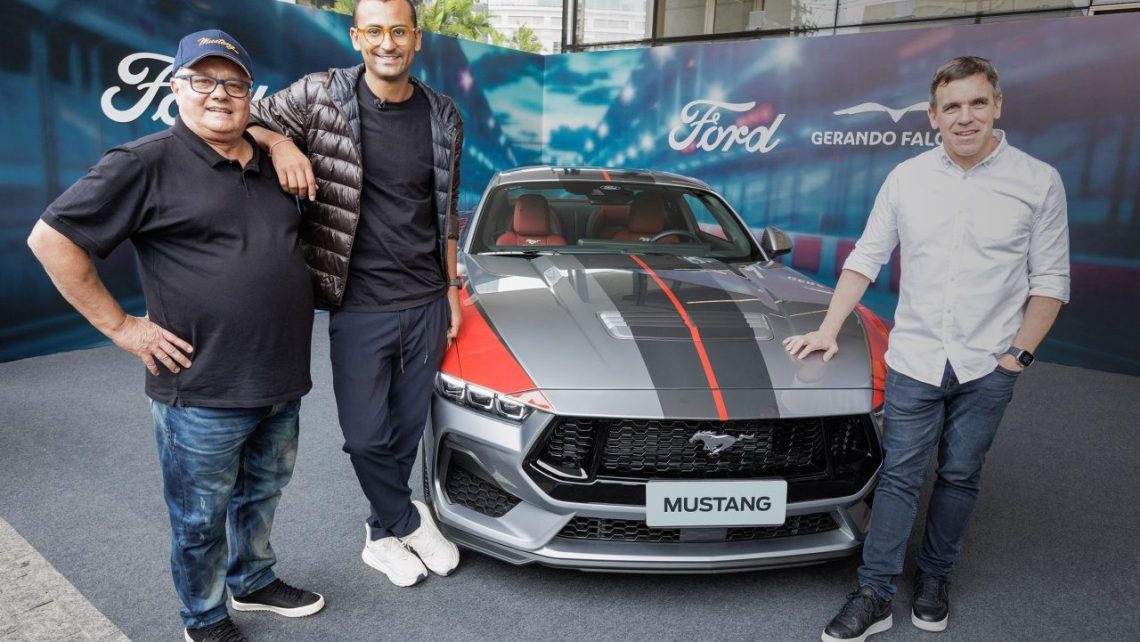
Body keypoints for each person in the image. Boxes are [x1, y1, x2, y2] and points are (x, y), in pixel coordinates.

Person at [27, 30, 324, 642]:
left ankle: (253, 580)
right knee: (198, 517)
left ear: (250, 94)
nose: (219, 94)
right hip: (201, 387)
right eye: (203, 80)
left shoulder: (271, 160)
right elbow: (50, 240)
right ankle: (204, 616)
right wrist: (121, 327)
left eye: (234, 83)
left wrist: (278, 139)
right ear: (176, 88)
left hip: (279, 377)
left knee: (262, 493)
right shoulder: (143, 162)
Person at [783, 56, 1070, 642]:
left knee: (960, 475)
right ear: (933, 116)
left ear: (997, 106)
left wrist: (1017, 358)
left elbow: (1050, 282)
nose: (966, 117)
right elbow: (866, 257)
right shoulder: (907, 178)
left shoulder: (1038, 181)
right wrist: (828, 329)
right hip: (915, 358)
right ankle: (875, 593)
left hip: (989, 364)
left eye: (977, 103)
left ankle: (936, 577)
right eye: (952, 107)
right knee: (899, 477)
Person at [246, 0, 462, 587]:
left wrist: (451, 287)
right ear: (356, 36)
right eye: (375, 30)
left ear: (417, 39)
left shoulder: (443, 114)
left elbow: (446, 211)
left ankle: (379, 534)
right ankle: (408, 520)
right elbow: (248, 118)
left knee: (405, 431)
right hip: (359, 303)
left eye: (399, 30)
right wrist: (281, 145)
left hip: (424, 298)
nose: (387, 42)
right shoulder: (319, 95)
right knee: (366, 437)